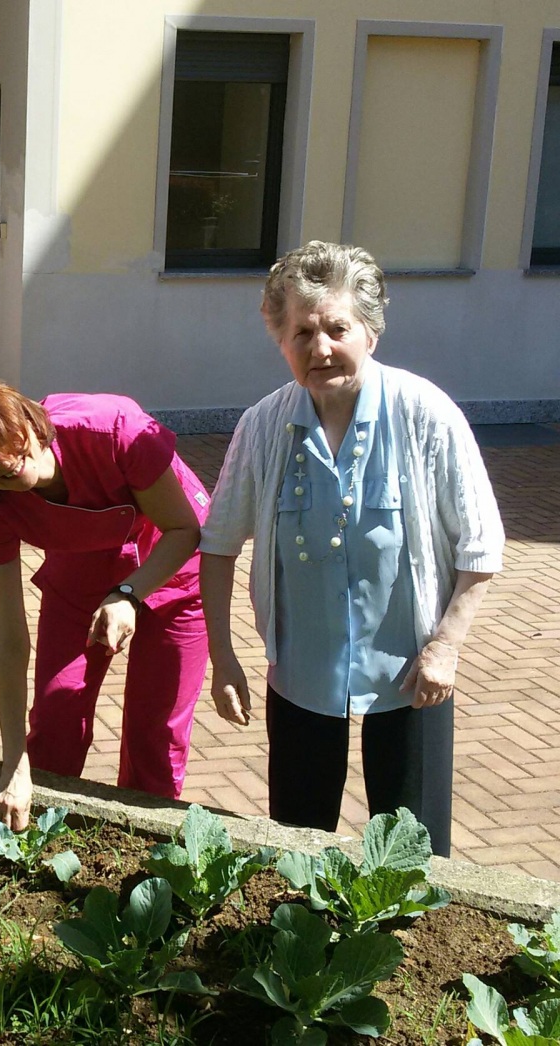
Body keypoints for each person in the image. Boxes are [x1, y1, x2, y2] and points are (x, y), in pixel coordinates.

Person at [199, 241, 503, 858]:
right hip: (303, 670)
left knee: (414, 856)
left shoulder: (426, 414)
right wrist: (223, 656)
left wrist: (445, 646)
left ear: (370, 331)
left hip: (412, 670)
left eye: (337, 328)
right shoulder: (263, 425)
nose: (320, 348)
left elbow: (480, 544)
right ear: (279, 338)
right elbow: (218, 543)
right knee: (298, 840)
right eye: (302, 331)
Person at [0, 372, 211, 829]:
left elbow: (185, 530)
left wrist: (129, 592)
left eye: (4, 436)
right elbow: (8, 636)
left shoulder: (112, 428)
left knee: (155, 734)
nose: (3, 462)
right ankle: (38, 831)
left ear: (25, 415)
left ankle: (144, 851)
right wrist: (12, 761)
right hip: (78, 572)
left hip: (172, 567)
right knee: (57, 716)